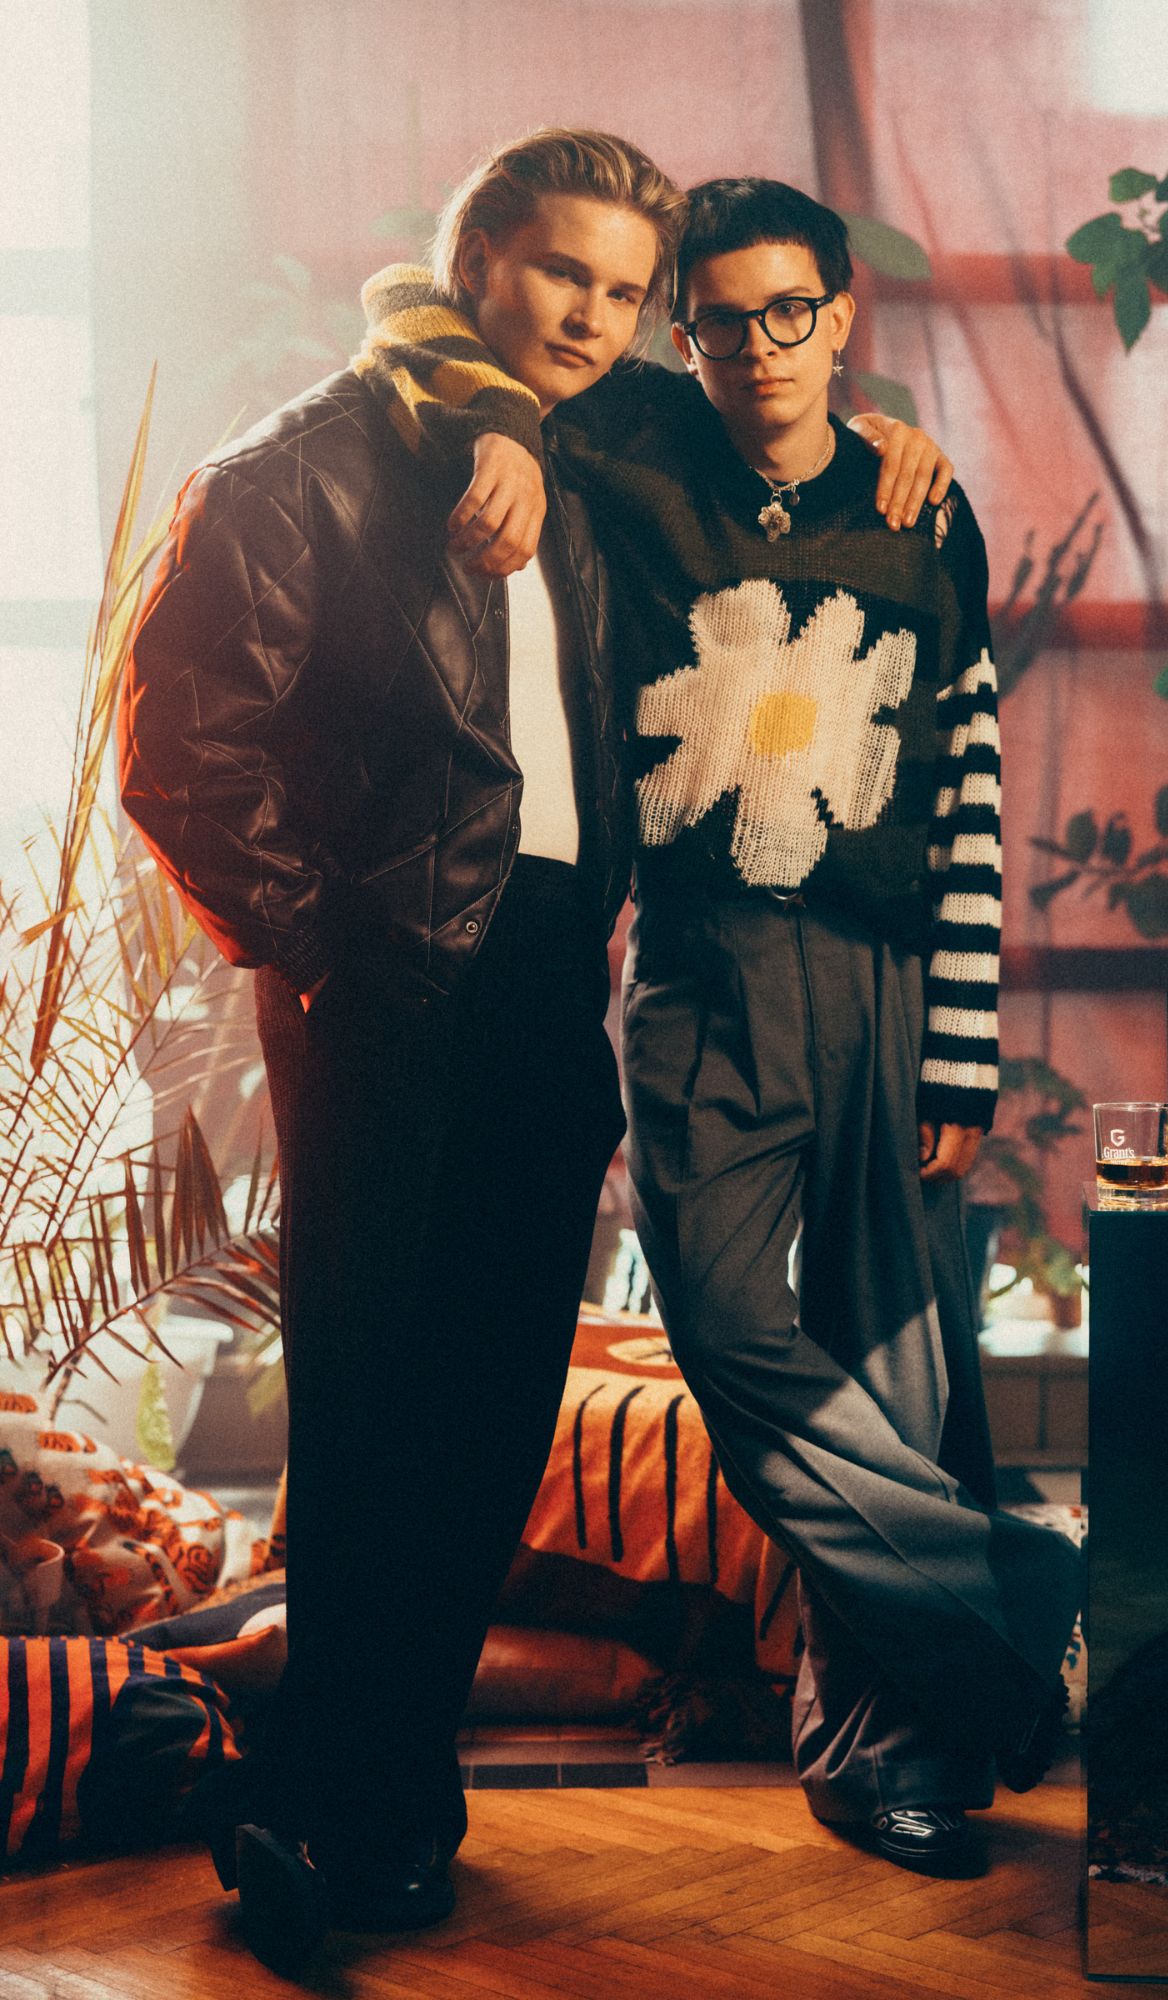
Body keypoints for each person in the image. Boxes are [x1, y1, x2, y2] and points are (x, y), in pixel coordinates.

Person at [119, 134, 942, 1971]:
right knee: (373, 1413)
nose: (592, 315)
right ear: (474, 259)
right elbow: (179, 752)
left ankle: (384, 1797)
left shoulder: (577, 447)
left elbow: (761, 418)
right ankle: (336, 1806)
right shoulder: (296, 477)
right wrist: (331, 951)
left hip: (555, 976)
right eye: (562, 271)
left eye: (620, 290)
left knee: (492, 1415)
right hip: (385, 988)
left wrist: (889, 442)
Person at [366, 176, 1083, 1880]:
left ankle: (881, 1761)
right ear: (681, 331)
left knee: (891, 1368)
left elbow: (971, 796)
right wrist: (502, 428)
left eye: (789, 314)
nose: (757, 349)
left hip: (887, 985)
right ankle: (1013, 1586)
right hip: (697, 969)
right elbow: (411, 302)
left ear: (840, 320)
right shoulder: (620, 442)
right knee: (730, 1333)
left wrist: (960, 1050)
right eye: (717, 320)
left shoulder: (921, 513)